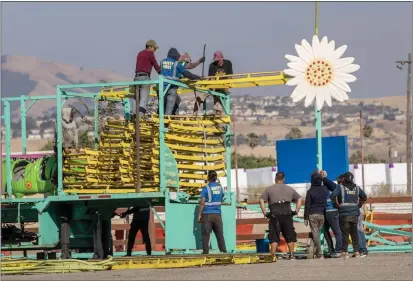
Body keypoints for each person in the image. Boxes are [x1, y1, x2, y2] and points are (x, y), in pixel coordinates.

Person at [259, 172, 303, 259]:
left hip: (274, 214)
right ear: (284, 179)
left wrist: (264, 212)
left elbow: (261, 200)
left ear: (275, 178)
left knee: (274, 235)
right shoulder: (290, 189)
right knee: (290, 234)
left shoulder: (269, 189)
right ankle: (292, 255)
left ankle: (272, 255)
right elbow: (300, 199)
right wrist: (296, 211)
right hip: (287, 213)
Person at [330, 172, 368, 258]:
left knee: (345, 233)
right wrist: (358, 205)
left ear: (344, 179)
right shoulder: (357, 188)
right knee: (354, 233)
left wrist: (336, 206)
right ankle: (357, 252)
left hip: (344, 214)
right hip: (355, 214)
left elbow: (332, 196)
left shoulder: (340, 187)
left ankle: (345, 252)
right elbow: (364, 197)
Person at [161, 48, 201, 115]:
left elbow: (164, 72)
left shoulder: (162, 62)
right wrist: (199, 77)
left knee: (163, 106)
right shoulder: (177, 64)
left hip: (162, 87)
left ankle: (165, 118)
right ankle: (166, 122)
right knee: (169, 109)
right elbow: (188, 74)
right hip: (171, 87)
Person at [197, 170, 227, 254]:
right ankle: (224, 252)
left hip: (207, 214)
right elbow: (222, 196)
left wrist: (199, 215)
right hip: (217, 214)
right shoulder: (220, 187)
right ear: (216, 178)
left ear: (208, 178)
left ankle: (206, 252)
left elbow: (202, 202)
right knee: (220, 235)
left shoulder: (205, 188)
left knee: (206, 235)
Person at [304, 171, 328, 259]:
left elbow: (307, 205)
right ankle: (313, 252)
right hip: (322, 214)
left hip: (312, 215)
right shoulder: (325, 190)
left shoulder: (310, 191)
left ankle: (319, 252)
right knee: (317, 234)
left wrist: (305, 217)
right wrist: (325, 177)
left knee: (315, 234)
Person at [134, 39, 161, 115]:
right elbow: (155, 65)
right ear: (150, 47)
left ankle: (134, 116)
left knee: (136, 99)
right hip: (145, 78)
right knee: (144, 99)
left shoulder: (140, 53)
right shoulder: (150, 54)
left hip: (136, 78)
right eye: (154, 48)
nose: (155, 50)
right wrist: (161, 73)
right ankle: (140, 117)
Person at [321, 172, 344, 258]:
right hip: (332, 211)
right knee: (337, 231)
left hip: (325, 211)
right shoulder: (331, 187)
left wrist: (324, 178)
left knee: (326, 231)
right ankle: (337, 250)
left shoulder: (320, 186)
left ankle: (332, 249)